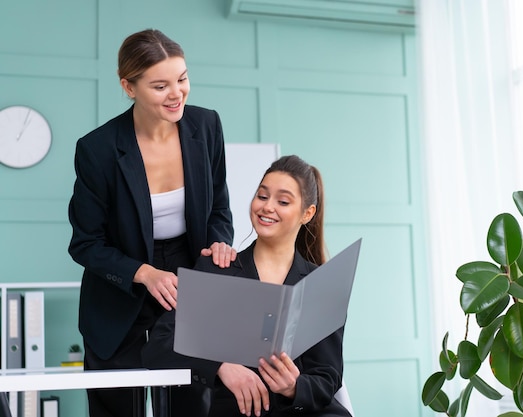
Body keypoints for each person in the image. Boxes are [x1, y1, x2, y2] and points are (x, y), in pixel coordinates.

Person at [67, 29, 236, 417]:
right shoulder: (97, 149)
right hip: (121, 281)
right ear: (128, 86)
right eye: (160, 85)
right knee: (117, 406)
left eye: (182, 79)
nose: (177, 93)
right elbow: (86, 243)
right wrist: (144, 273)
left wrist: (218, 244)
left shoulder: (206, 126)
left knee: (192, 403)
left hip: (187, 277)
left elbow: (219, 210)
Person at [142, 155, 352, 417]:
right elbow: (159, 345)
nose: (267, 207)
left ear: (307, 214)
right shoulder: (218, 270)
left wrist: (293, 387)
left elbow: (327, 377)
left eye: (283, 201)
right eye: (262, 196)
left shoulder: (322, 285)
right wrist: (219, 365)